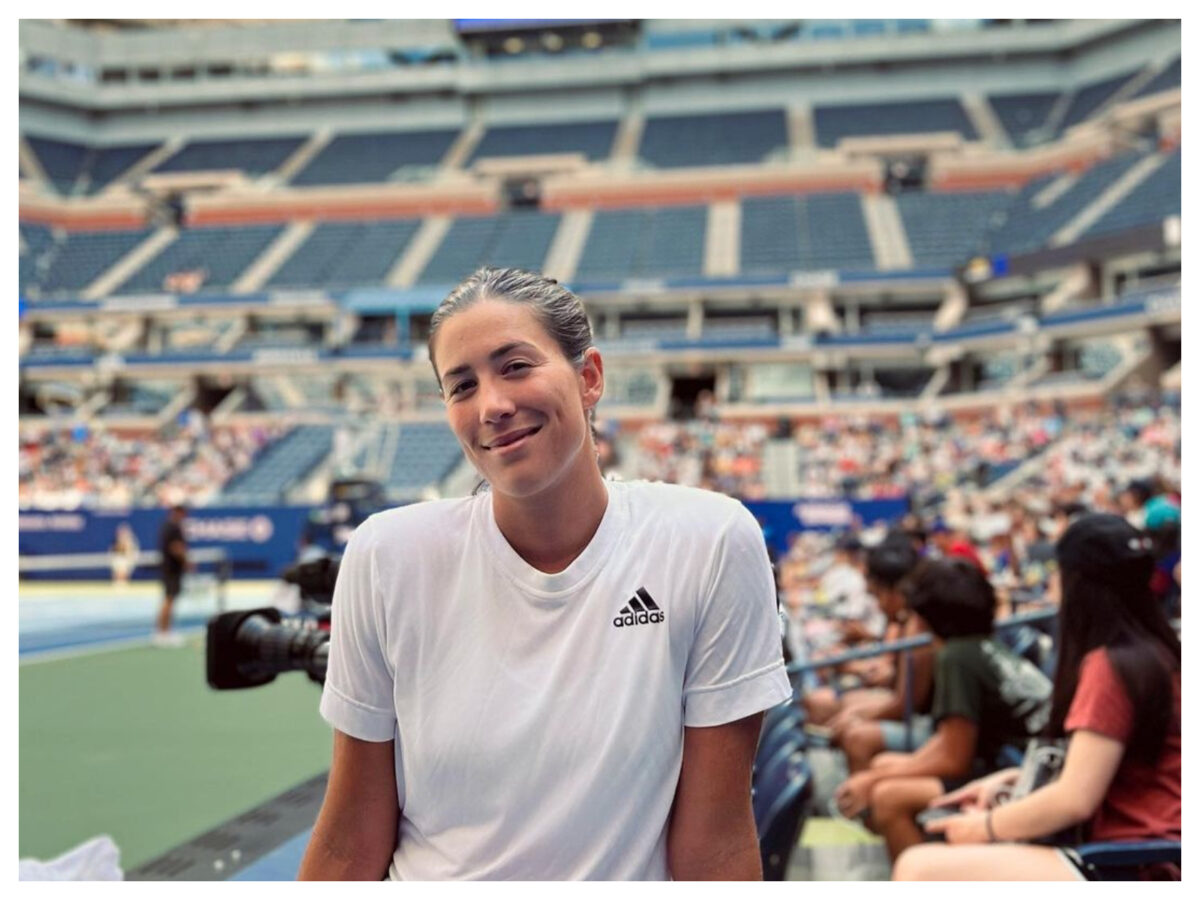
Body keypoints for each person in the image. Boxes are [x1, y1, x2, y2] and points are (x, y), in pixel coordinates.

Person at [298, 267, 791, 881]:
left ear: (589, 378)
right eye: (462, 386)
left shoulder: (709, 541)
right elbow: (351, 836)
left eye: (516, 366)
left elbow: (715, 846)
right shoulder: (386, 556)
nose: (493, 406)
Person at [893, 514, 1181, 880]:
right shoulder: (1157, 652)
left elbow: (1074, 800)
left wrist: (984, 826)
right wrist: (1014, 779)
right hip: (1142, 854)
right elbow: (1104, 769)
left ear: (1078, 582)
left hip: (1133, 863)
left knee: (917, 868)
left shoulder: (1110, 666)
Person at [832, 558, 1052, 862]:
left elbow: (954, 760)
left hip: (1022, 779)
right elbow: (950, 740)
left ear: (926, 615)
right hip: (1019, 765)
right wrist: (883, 771)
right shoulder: (981, 645)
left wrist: (872, 780)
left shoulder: (955, 658)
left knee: (889, 798)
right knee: (883, 766)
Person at [804, 534, 935, 770]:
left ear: (897, 591)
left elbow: (905, 704)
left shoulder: (917, 632)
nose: (877, 604)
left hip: (925, 723)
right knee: (842, 708)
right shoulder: (906, 623)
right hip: (910, 711)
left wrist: (857, 717)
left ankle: (860, 797)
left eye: (878, 595)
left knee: (856, 735)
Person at [154, 505, 188, 647]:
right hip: (171, 570)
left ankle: (164, 631)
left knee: (169, 600)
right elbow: (176, 548)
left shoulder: (167, 526)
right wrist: (186, 561)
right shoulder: (173, 528)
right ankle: (163, 633)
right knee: (169, 600)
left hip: (169, 569)